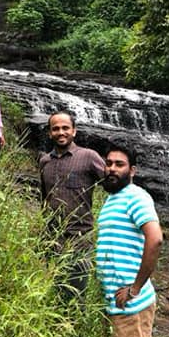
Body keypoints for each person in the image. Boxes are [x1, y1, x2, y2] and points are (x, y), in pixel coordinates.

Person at [95, 143, 163, 337]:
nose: (112, 168)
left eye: (119, 164)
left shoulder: (136, 196)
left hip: (132, 306)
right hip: (117, 305)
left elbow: (155, 240)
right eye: (109, 163)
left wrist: (135, 288)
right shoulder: (113, 199)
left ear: (132, 170)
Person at [38, 110, 106, 298]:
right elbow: (44, 199)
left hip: (80, 238)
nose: (61, 132)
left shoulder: (89, 156)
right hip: (52, 238)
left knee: (76, 294)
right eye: (56, 129)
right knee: (55, 290)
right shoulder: (45, 161)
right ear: (49, 133)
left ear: (74, 131)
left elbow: (112, 184)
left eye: (65, 128)